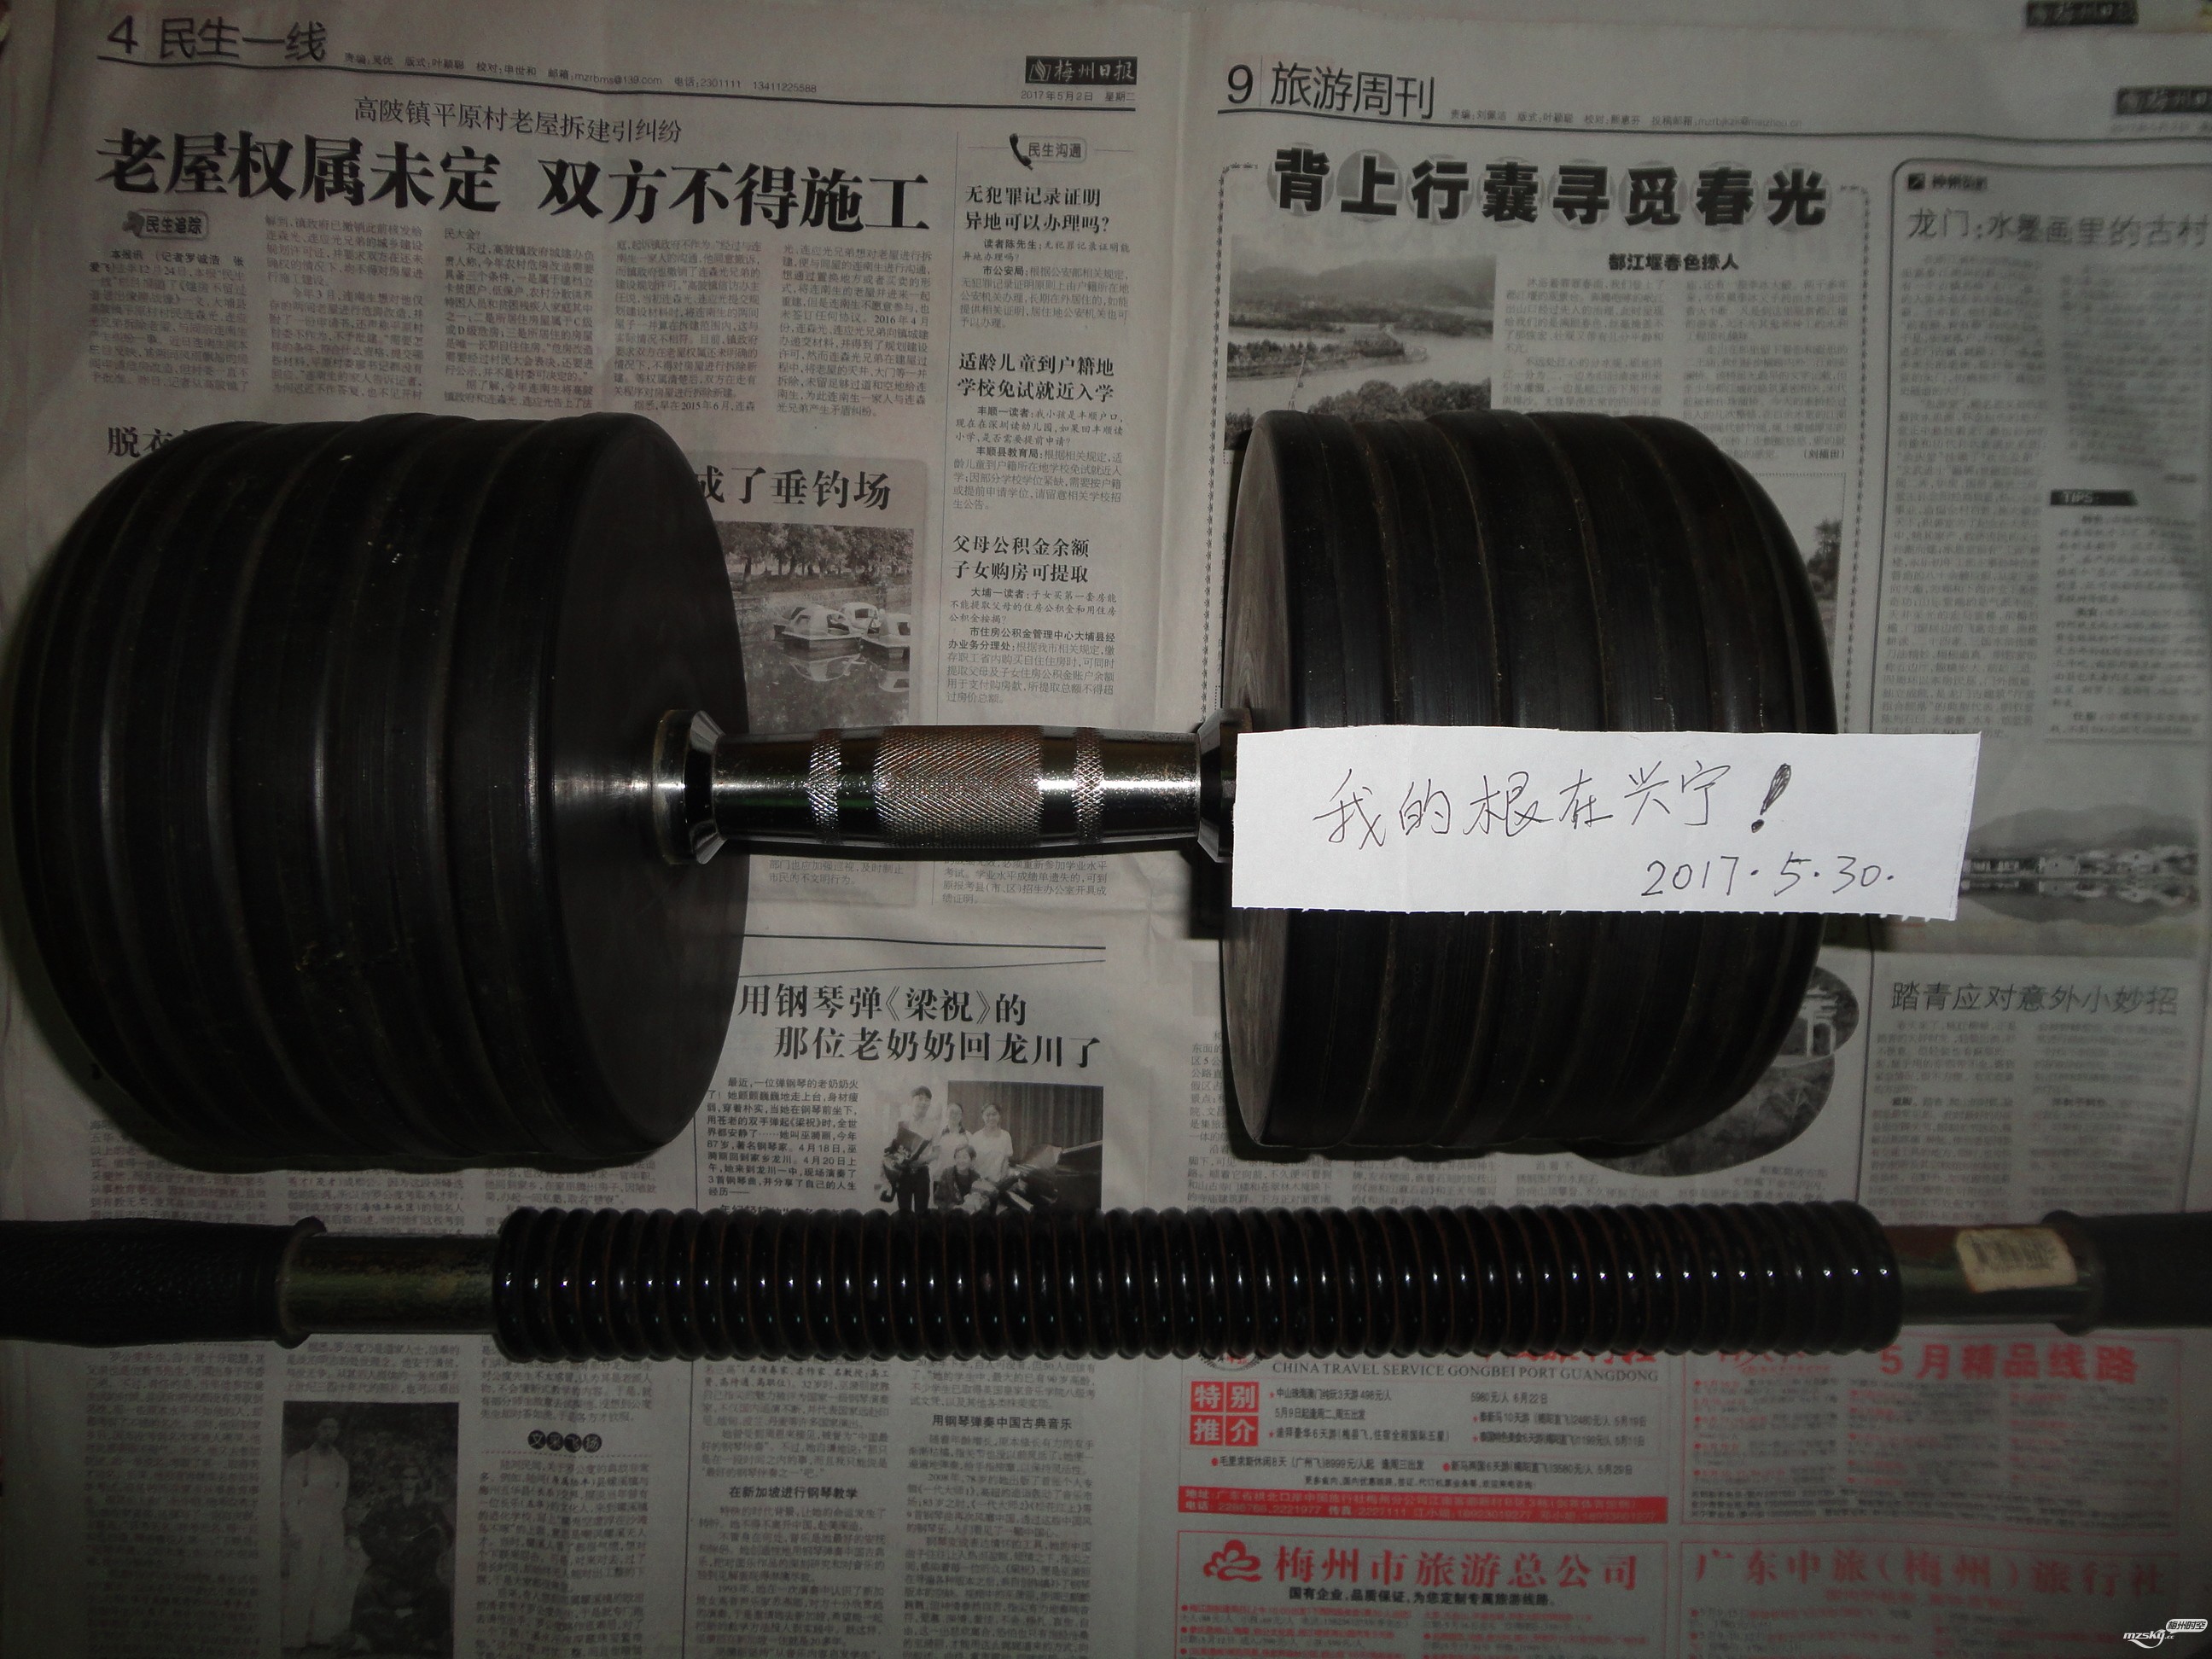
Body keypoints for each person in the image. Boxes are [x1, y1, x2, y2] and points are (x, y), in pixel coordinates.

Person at [346, 1462, 451, 1655]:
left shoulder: (430, 1508)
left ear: (420, 1480)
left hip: (419, 1567)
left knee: (439, 1591)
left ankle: (428, 1639)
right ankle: (365, 1638)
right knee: (366, 1586)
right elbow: (367, 1529)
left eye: (414, 1478)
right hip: (388, 1565)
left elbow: (445, 1533)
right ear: (399, 1480)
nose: (409, 1482)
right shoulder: (387, 1504)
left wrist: (424, 1550)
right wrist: (387, 1549)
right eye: (405, 1477)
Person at [282, 1415, 355, 1651]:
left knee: (330, 1579)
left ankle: (321, 1635)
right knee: (302, 1581)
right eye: (325, 1427)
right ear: (317, 1429)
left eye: (333, 1428)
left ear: (338, 1432)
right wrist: (294, 1528)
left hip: (332, 1525)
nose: (329, 1432)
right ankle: (294, 1638)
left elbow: (341, 1498)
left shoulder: (340, 1463)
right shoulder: (300, 1460)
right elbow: (290, 1498)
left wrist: (334, 1526)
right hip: (306, 1523)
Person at [883, 1086, 941, 1213]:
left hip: (922, 1173)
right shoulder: (900, 1123)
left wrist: (924, 1160)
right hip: (903, 1173)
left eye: (927, 1100)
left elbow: (937, 1152)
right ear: (911, 1100)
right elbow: (889, 1149)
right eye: (920, 1099)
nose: (923, 1102)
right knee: (904, 1213)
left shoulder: (933, 1126)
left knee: (922, 1212)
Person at [969, 1102, 1015, 1185]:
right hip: (978, 1182)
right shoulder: (975, 1137)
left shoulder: (1005, 1136)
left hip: (997, 1182)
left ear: (999, 1116)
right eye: (987, 1115)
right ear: (982, 1116)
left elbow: (1005, 1161)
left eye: (994, 1114)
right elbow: (971, 1162)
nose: (991, 1118)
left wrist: (1001, 1181)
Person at [933, 1142, 982, 1210]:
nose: (961, 1161)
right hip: (950, 1213)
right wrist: (954, 1207)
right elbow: (939, 1199)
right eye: (958, 1157)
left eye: (965, 1157)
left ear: (972, 1160)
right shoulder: (947, 1174)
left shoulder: (976, 1177)